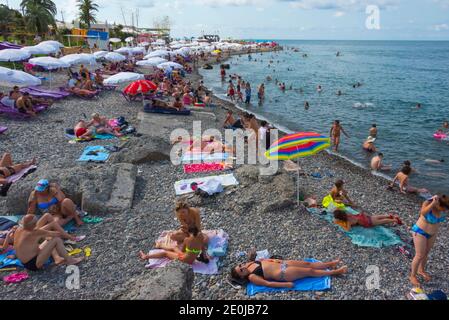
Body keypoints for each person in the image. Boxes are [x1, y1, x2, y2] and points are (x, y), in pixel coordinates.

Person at [14, 215, 83, 271]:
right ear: (34, 225)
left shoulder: (18, 229)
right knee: (56, 240)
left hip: (25, 262)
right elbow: (57, 234)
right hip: (33, 263)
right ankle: (70, 260)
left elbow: (38, 233)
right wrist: (66, 235)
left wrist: (50, 228)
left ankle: (58, 258)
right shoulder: (34, 233)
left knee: (49, 238)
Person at [410, 195, 449, 286]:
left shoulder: (444, 208)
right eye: (442, 208)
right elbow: (423, 213)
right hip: (420, 232)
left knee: (426, 253)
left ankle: (421, 270)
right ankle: (412, 276)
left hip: (432, 234)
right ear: (437, 203)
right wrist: (432, 204)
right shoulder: (427, 203)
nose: (443, 210)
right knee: (419, 255)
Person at [230, 258, 348, 288]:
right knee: (309, 271)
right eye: (240, 270)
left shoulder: (250, 264)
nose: (242, 267)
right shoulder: (251, 277)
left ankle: (330, 263)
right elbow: (268, 284)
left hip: (283, 263)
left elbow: (265, 261)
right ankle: (335, 272)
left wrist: (277, 260)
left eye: (240, 265)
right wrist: (286, 285)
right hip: (283, 272)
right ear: (242, 276)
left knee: (308, 264)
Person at [139, 226, 206, 265]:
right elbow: (203, 249)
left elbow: (182, 251)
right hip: (192, 259)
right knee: (174, 248)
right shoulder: (201, 239)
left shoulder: (187, 240)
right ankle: (160, 245)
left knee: (165, 253)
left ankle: (146, 256)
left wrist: (176, 249)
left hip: (185, 260)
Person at [333, 209, 402, 231]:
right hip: (364, 216)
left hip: (366, 222)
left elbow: (348, 229)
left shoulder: (348, 221)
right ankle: (389, 215)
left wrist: (341, 223)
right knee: (377, 217)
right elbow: (337, 210)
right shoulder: (347, 214)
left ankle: (395, 220)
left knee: (382, 221)